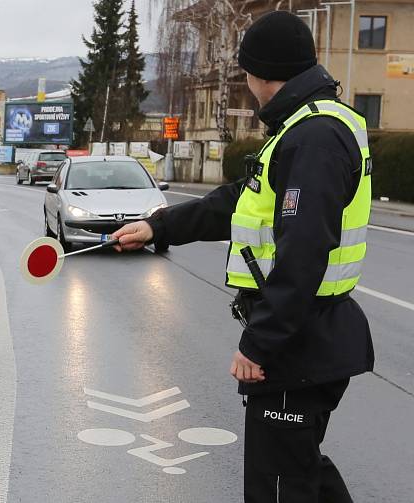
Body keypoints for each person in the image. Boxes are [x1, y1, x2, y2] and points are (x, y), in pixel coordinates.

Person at [113, 11, 372, 503]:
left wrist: (260, 344)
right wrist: (158, 226)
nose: (246, 86)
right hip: (311, 336)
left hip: (300, 343)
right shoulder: (309, 125)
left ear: (263, 74)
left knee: (278, 485)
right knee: (300, 470)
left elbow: (304, 254)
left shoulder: (313, 136)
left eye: (246, 74)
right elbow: (240, 199)